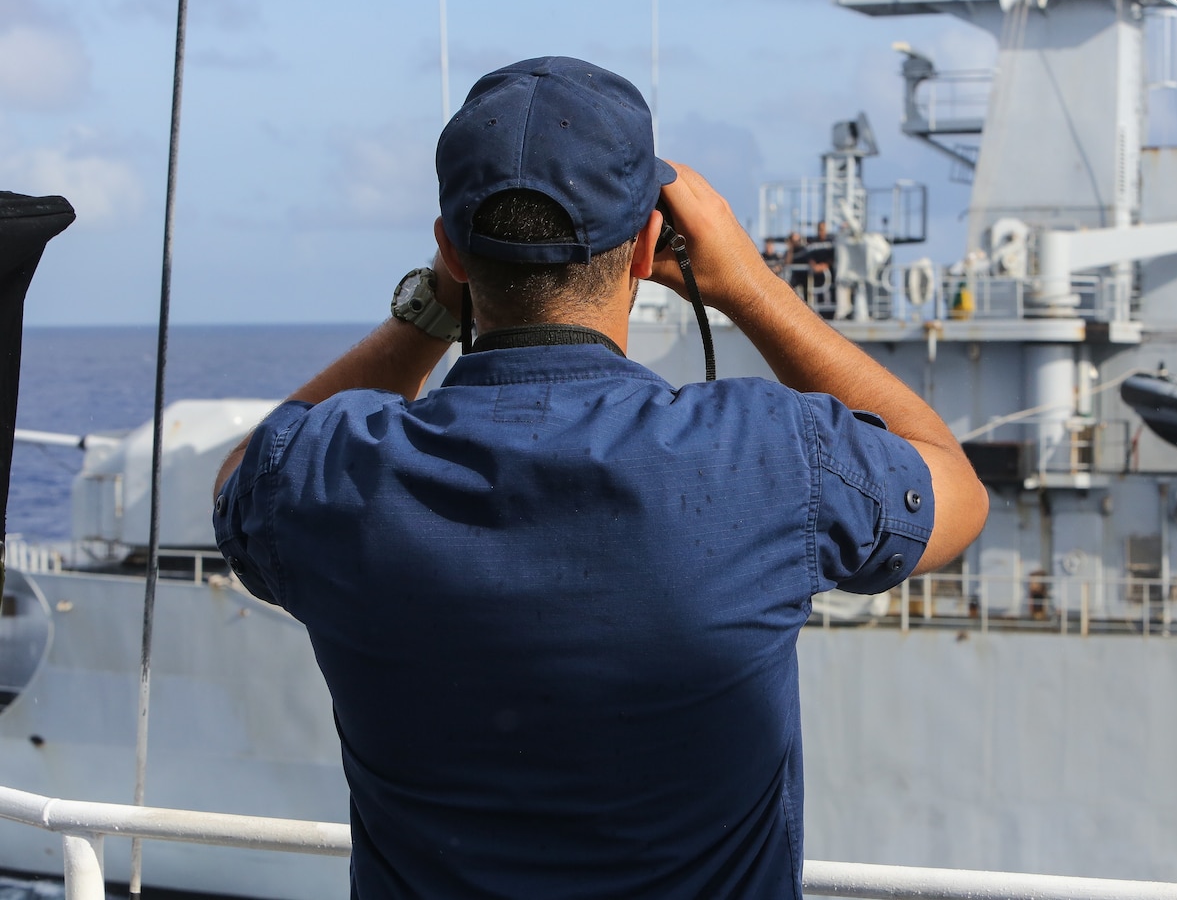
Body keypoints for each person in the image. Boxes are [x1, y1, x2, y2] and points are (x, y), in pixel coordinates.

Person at [211, 56, 988, 899]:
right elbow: (956, 490)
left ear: (452, 253)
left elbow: (238, 478)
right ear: (651, 244)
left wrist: (434, 307)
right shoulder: (770, 455)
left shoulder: (330, 470)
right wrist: (752, 287)